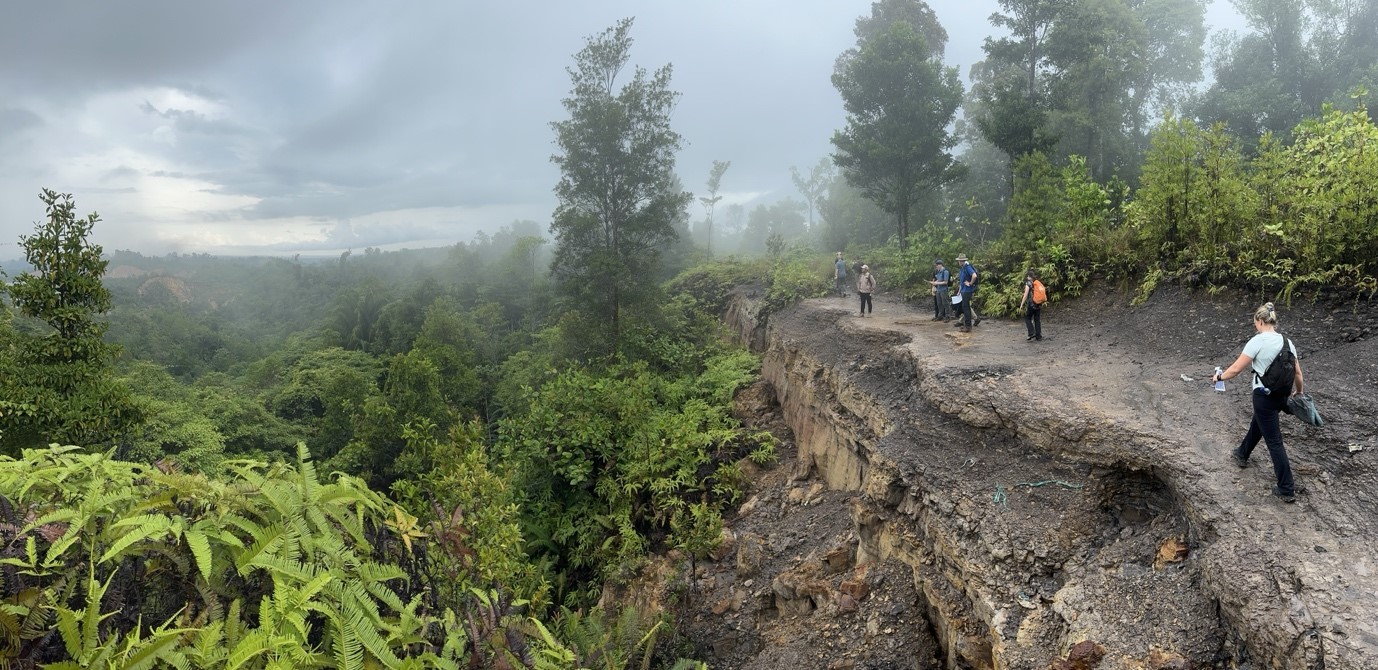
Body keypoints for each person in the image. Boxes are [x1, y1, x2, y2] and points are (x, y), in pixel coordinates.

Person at [1213, 302, 1306, 502]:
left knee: (1274, 441)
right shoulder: (1288, 342)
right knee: (1260, 423)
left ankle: (1286, 488)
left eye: (1255, 322)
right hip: (1281, 395)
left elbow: (1236, 369)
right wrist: (1299, 393)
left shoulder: (1257, 341)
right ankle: (1242, 453)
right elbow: (1297, 372)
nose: (1255, 326)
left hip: (1263, 396)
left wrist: (1219, 378)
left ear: (1260, 321)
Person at [953, 255, 978, 332]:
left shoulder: (967, 267)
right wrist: (960, 290)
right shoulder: (962, 269)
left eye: (960, 261)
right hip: (964, 290)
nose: (959, 262)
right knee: (965, 307)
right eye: (959, 261)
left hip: (967, 291)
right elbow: (962, 281)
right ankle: (967, 325)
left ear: (962, 261)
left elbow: (974, 275)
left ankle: (968, 326)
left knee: (966, 308)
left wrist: (970, 283)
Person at [1020, 270, 1044, 341]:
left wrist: (1022, 304)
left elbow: (1025, 295)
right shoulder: (1037, 282)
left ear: (1029, 276)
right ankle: (1038, 336)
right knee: (1037, 320)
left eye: (1027, 276)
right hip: (1038, 303)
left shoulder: (1028, 283)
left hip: (1031, 304)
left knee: (1027, 318)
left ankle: (1031, 333)